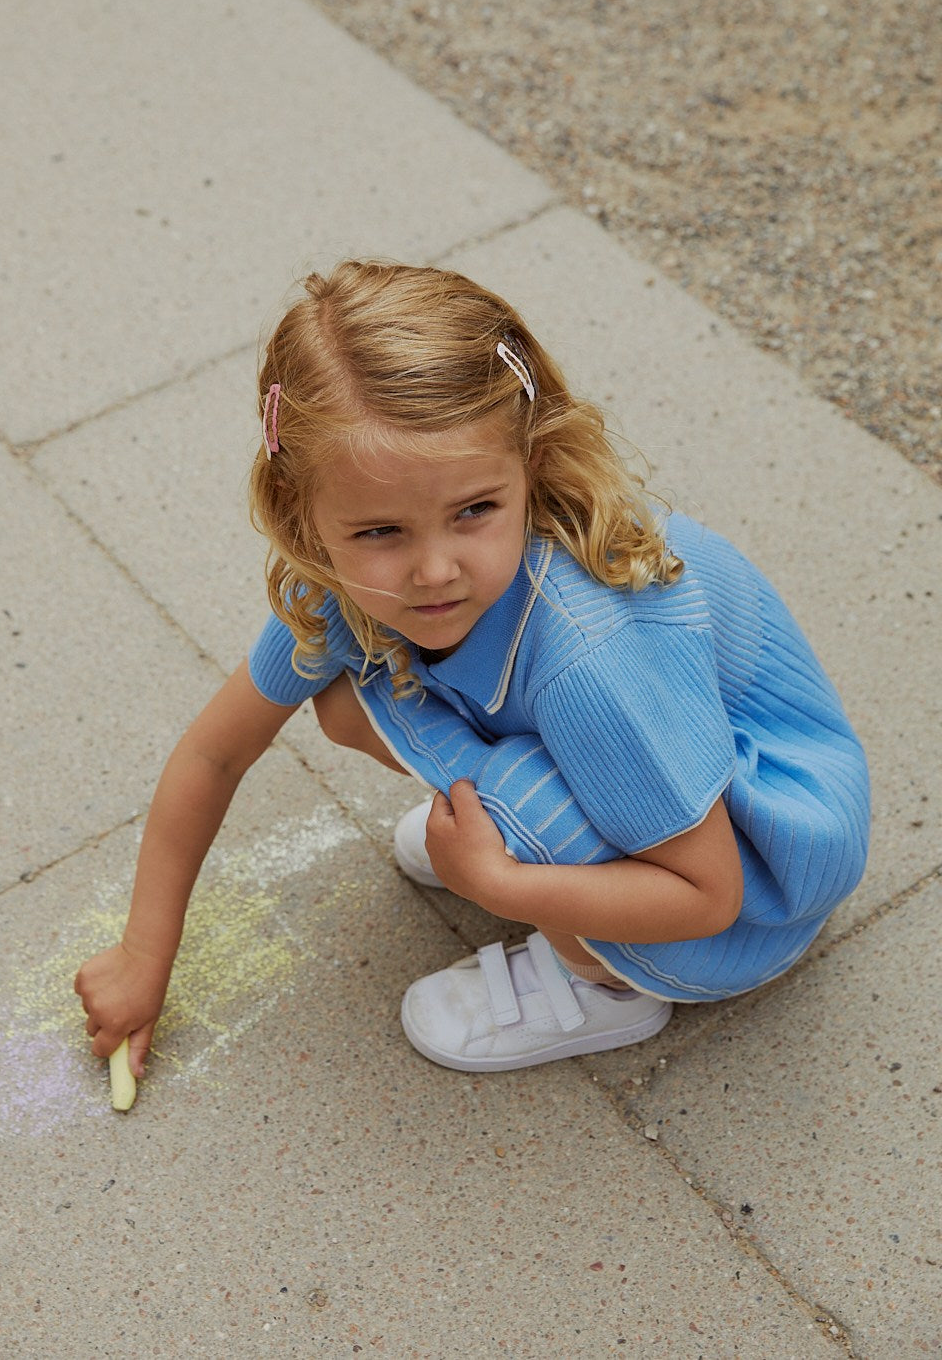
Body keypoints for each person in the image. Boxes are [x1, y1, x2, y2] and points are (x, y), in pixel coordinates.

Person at [75, 260, 870, 1076]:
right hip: (671, 786)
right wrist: (143, 954)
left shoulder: (589, 658)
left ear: (529, 462)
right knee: (346, 702)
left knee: (494, 784)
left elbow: (712, 895)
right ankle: (524, 831)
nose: (434, 571)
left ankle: (608, 988)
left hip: (759, 887)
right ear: (302, 518)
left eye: (474, 513)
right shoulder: (342, 585)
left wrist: (499, 884)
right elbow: (216, 751)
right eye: (381, 532)